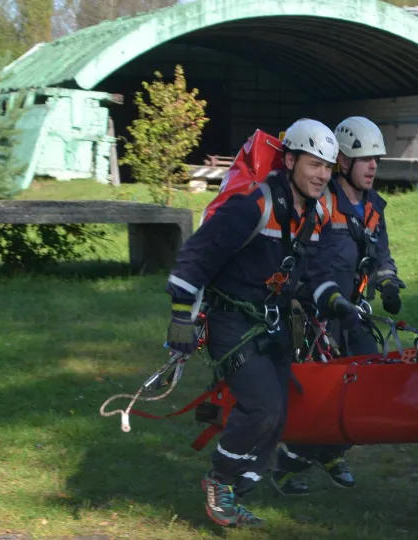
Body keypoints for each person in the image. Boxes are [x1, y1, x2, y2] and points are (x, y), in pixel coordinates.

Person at [164, 118, 356, 528]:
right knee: (263, 407)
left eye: (328, 167)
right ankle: (219, 480)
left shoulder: (313, 213)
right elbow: (197, 255)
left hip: (272, 324)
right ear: (289, 160)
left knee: (280, 412)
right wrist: (182, 317)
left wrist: (336, 302)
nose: (322, 175)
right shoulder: (254, 205)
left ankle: (235, 489)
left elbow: (313, 274)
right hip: (231, 320)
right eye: (313, 165)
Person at [271, 116, 405, 495]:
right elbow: (308, 261)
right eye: (365, 159)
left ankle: (329, 452)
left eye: (376, 159)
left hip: (354, 314)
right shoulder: (323, 203)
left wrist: (389, 283)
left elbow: (382, 257)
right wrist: (327, 301)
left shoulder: (374, 207)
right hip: (317, 318)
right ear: (343, 163)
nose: (373, 166)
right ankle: (292, 461)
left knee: (368, 388)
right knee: (323, 398)